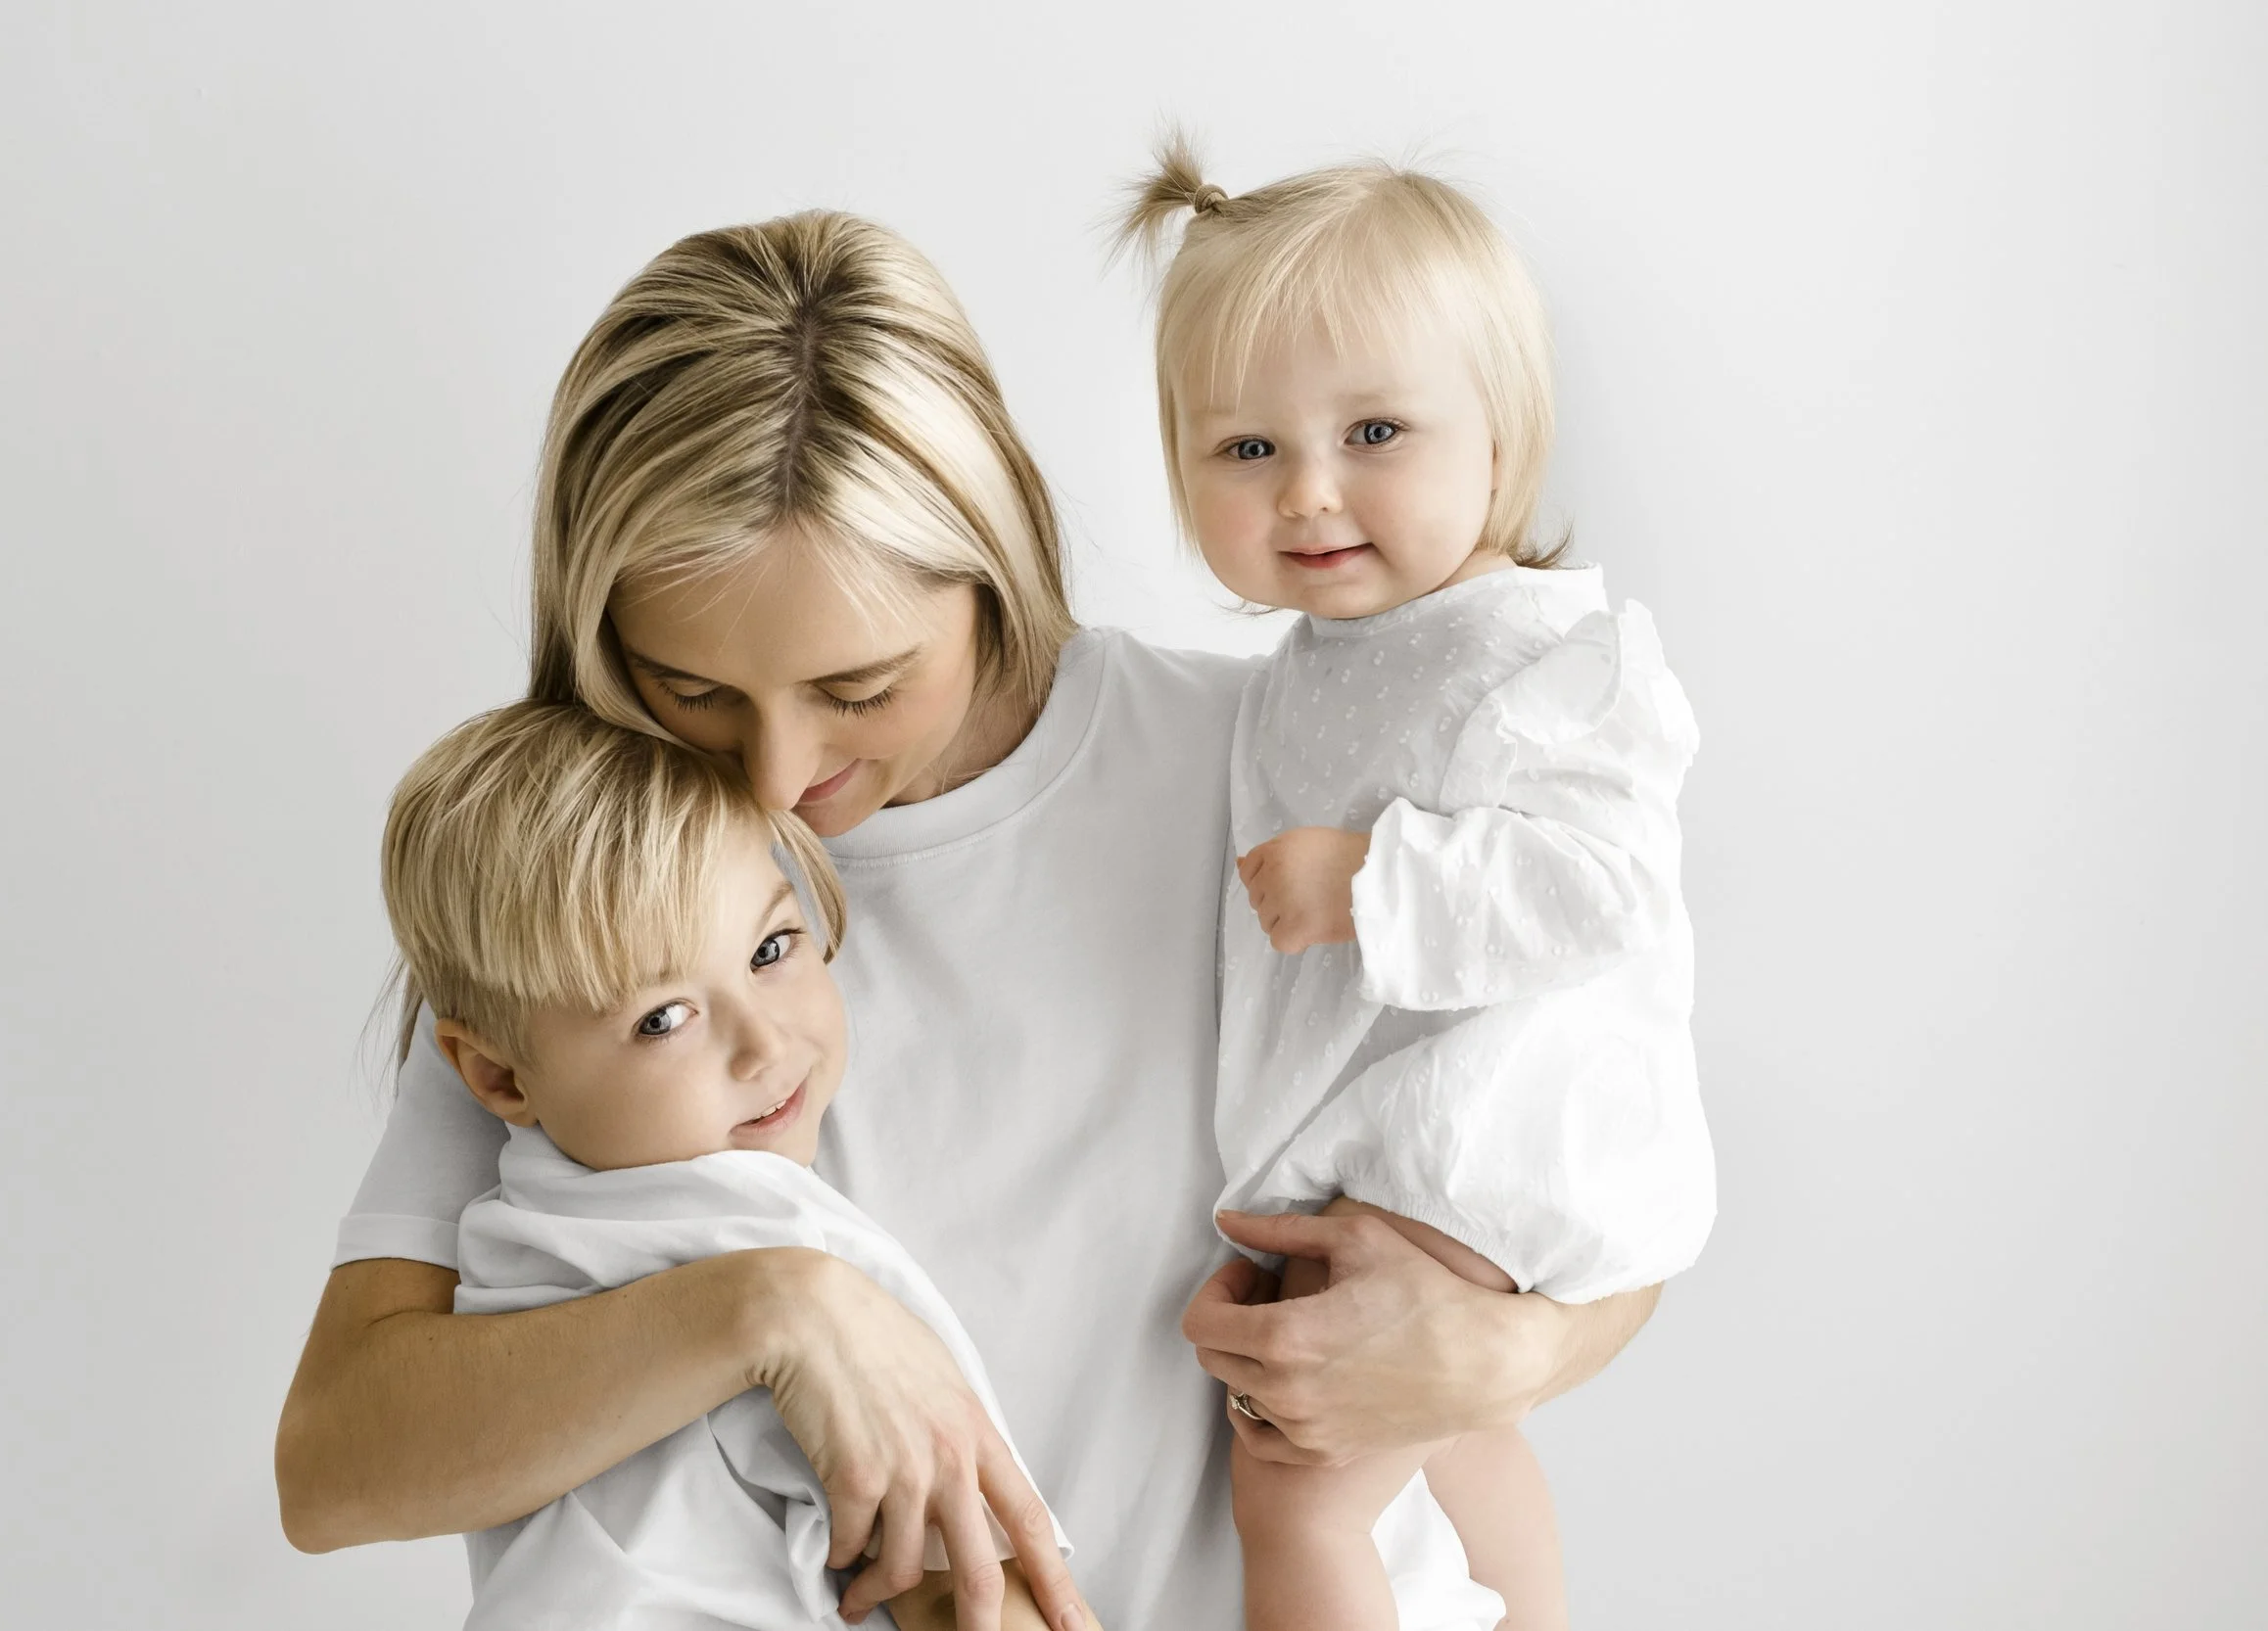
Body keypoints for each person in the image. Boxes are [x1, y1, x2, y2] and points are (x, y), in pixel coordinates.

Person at [274, 207, 1664, 1631]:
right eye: (692, 690)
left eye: (862, 686)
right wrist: (775, 1314)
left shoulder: (1276, 786)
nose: (775, 778)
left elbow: (1606, 1170)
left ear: (990, 551)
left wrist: (1504, 1354)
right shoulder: (596, 912)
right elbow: (337, 1466)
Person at [1117, 143, 1715, 1631]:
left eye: (1374, 430)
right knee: (1449, 1438)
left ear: (1502, 444)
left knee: (1298, 1477)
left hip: (1488, 1132)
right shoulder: (1314, 664)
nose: (1309, 491)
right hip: (1400, 1141)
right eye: (1245, 450)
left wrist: (1381, 879)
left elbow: (1610, 883)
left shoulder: (1542, 660)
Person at [380, 701, 1064, 1629]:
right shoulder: (784, 1234)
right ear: (496, 1074)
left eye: (771, 951)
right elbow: (969, 1592)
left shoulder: (507, 1241)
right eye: (662, 1018)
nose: (762, 1043)